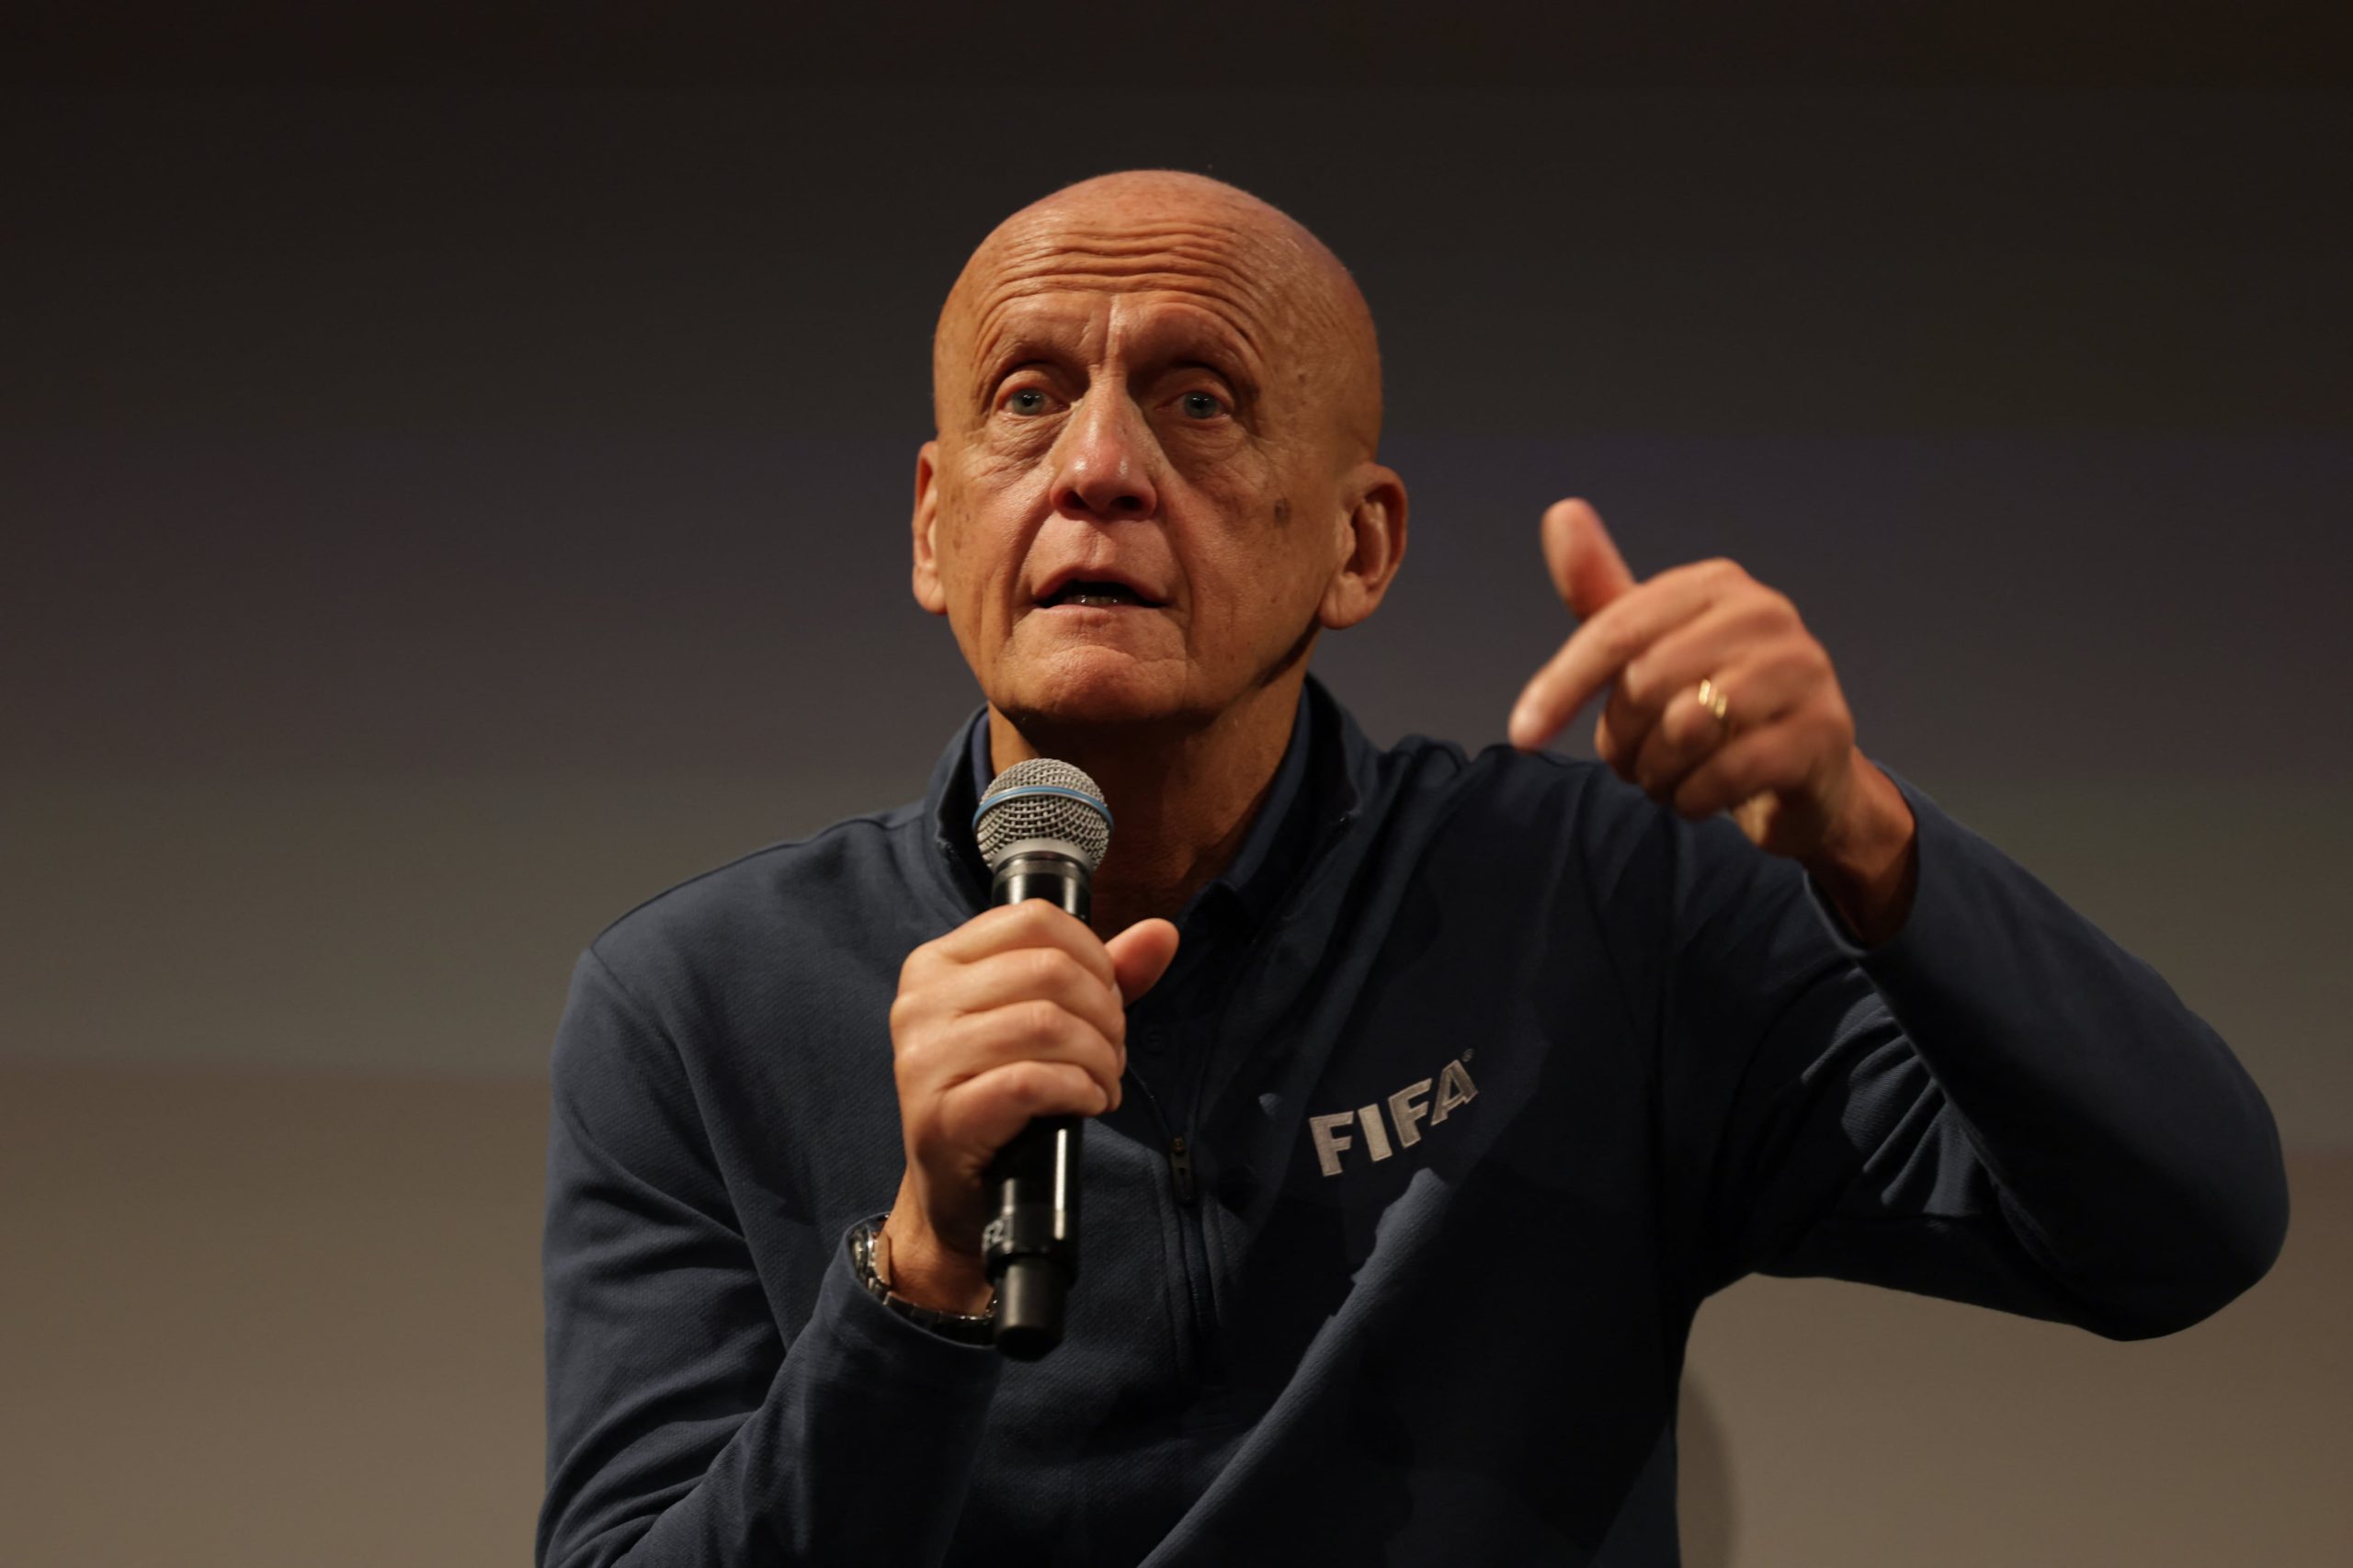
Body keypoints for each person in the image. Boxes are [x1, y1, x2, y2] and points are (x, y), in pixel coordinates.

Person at [535, 170, 2288, 1566]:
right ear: (938, 526)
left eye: (1197, 400)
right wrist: (919, 1271)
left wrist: (1867, 837)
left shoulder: (1600, 903)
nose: (1097, 469)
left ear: (1360, 546)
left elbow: (2181, 1227)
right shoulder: (697, 1001)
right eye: (1028, 399)